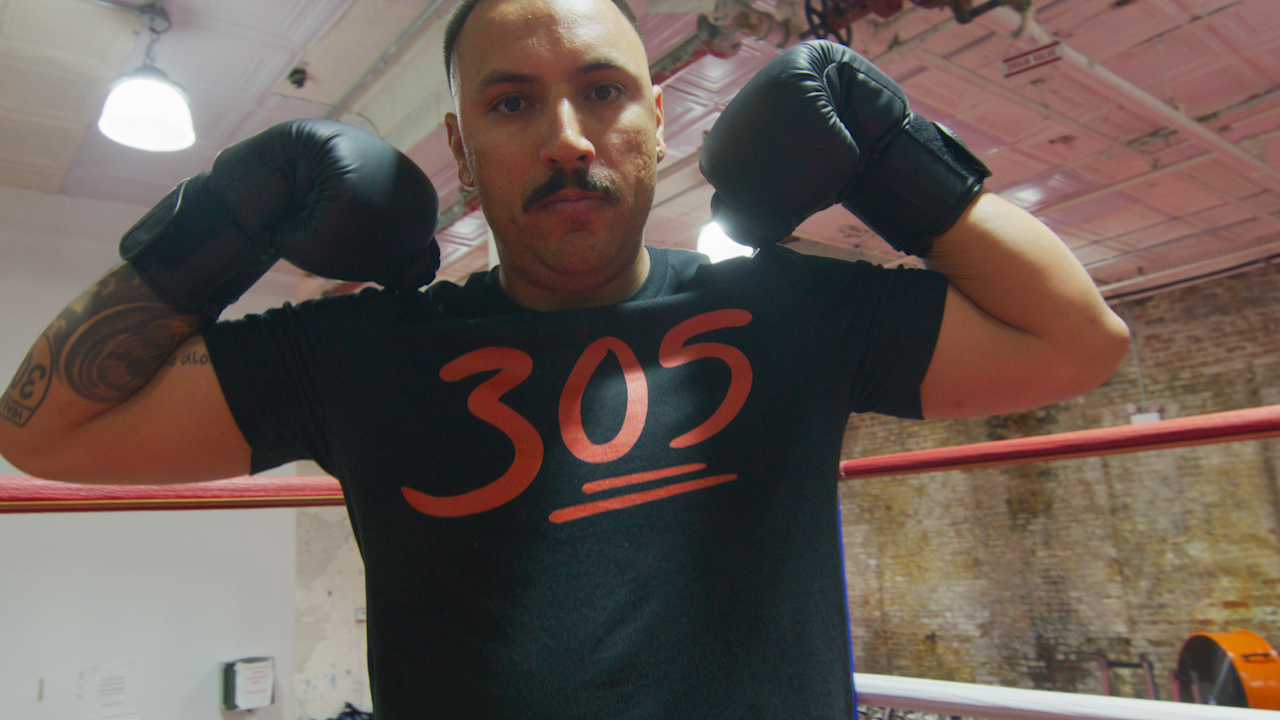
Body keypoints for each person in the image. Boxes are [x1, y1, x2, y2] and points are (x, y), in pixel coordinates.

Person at [0, 0, 1130, 716]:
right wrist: (229, 222)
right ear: (458, 146)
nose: (565, 140)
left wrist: (888, 161)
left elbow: (1075, 341)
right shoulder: (359, 353)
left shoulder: (790, 312)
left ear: (653, 114)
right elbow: (45, 430)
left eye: (599, 93)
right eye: (510, 102)